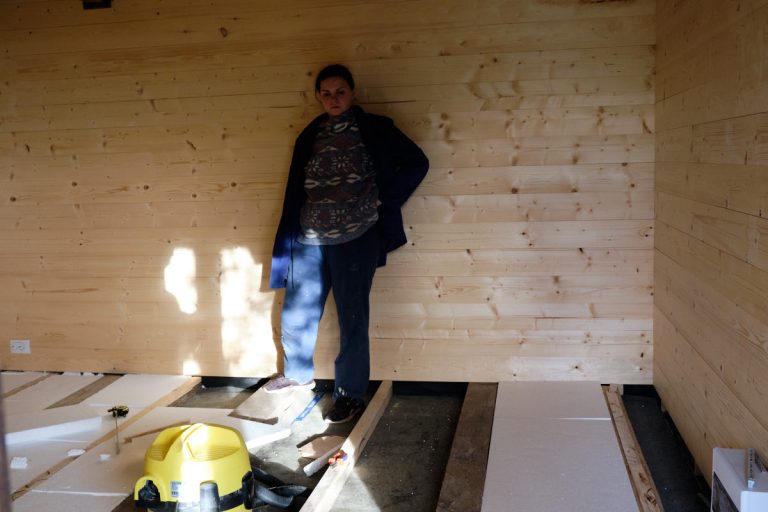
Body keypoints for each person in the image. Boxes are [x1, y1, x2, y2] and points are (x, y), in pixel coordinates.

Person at [264, 64, 429, 423]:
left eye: (340, 92)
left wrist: (386, 199)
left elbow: (417, 163)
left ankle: (349, 394)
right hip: (309, 238)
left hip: (356, 236)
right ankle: (297, 374)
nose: (333, 99)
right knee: (296, 313)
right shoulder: (310, 134)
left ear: (352, 93)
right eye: (326, 93)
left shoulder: (376, 128)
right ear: (318, 97)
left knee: (352, 316)